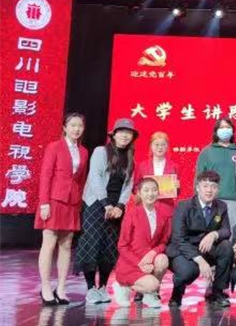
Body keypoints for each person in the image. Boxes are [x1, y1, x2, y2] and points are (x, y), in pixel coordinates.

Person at [75, 118, 137, 305]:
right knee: (91, 244)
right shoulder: (101, 152)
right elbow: (95, 178)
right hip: (96, 204)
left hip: (116, 209)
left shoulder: (130, 158)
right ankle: (90, 289)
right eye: (121, 132)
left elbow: (128, 186)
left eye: (129, 133)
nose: (125, 135)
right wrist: (106, 204)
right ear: (114, 134)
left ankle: (102, 287)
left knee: (109, 248)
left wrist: (120, 206)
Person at [35, 113, 89, 306]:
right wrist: (44, 203)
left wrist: (79, 201)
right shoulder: (54, 147)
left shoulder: (83, 151)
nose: (76, 129)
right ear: (65, 127)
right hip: (53, 200)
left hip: (72, 202)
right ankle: (45, 287)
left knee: (66, 245)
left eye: (80, 126)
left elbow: (81, 179)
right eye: (73, 125)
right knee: (49, 243)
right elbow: (46, 175)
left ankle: (61, 288)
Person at [167, 170, 233, 308]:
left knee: (226, 246)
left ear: (218, 189)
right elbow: (178, 238)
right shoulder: (184, 206)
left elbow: (226, 231)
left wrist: (213, 234)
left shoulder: (221, 206)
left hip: (207, 248)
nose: (209, 190)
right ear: (197, 187)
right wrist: (200, 260)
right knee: (188, 272)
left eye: (213, 187)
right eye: (205, 186)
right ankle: (176, 294)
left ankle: (217, 292)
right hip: (185, 249)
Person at [112, 178, 171, 308]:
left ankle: (150, 296)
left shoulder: (163, 215)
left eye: (154, 190)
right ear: (139, 193)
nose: (150, 194)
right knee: (153, 284)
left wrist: (153, 252)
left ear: (158, 193)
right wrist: (140, 263)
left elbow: (164, 242)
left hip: (150, 261)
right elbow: (122, 246)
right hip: (131, 263)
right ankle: (122, 286)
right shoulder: (132, 214)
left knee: (163, 259)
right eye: (146, 190)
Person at [196, 118, 236, 228]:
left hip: (233, 201)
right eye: (221, 127)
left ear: (233, 131)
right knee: (210, 232)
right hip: (210, 200)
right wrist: (198, 201)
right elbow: (198, 177)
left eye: (228, 127)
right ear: (216, 131)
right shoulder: (207, 152)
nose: (225, 130)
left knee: (231, 232)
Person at [133, 131, 180, 218]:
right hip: (146, 208)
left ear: (167, 146)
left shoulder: (174, 166)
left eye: (163, 144)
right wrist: (145, 194)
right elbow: (135, 187)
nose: (160, 147)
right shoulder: (142, 166)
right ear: (151, 146)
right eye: (156, 144)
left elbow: (177, 192)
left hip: (167, 208)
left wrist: (177, 187)